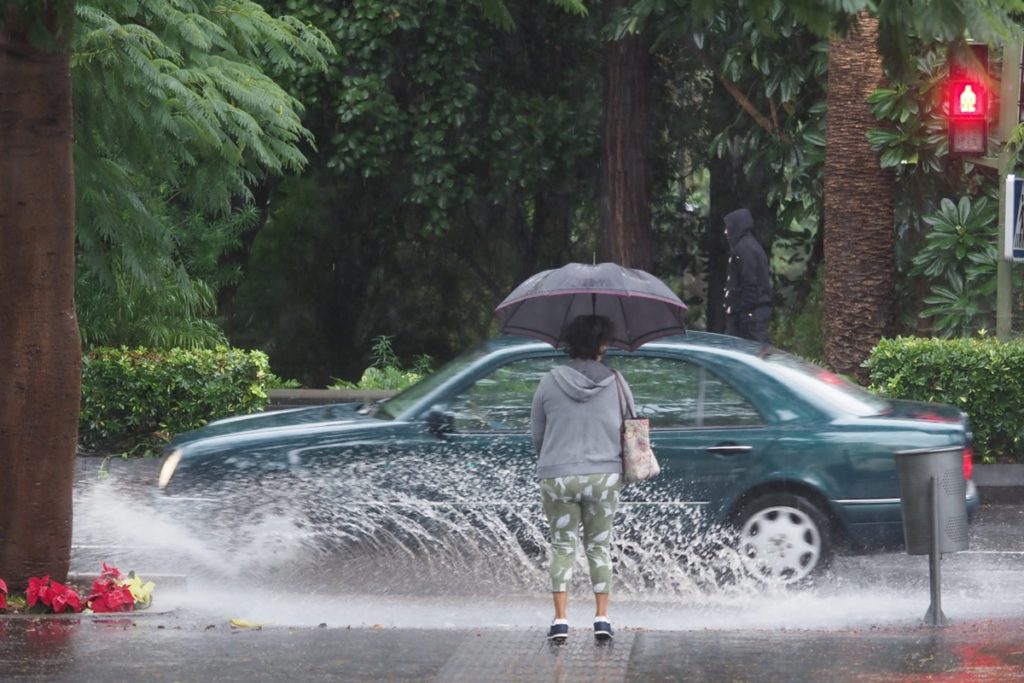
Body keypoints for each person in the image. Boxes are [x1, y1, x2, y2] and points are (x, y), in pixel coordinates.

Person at [530, 314, 635, 643]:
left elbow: (537, 432)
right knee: (598, 547)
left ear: (570, 344)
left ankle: (560, 621)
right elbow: (631, 424)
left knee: (562, 547)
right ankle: (602, 619)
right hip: (604, 476)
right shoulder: (617, 382)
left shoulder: (549, 381)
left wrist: (554, 458)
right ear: (602, 346)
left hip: (558, 476)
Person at [722, 208, 772, 344]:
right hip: (749, 313)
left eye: (728, 228)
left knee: (756, 351)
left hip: (750, 315)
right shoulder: (749, 246)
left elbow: (749, 282)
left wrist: (745, 312)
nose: (725, 232)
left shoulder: (744, 249)